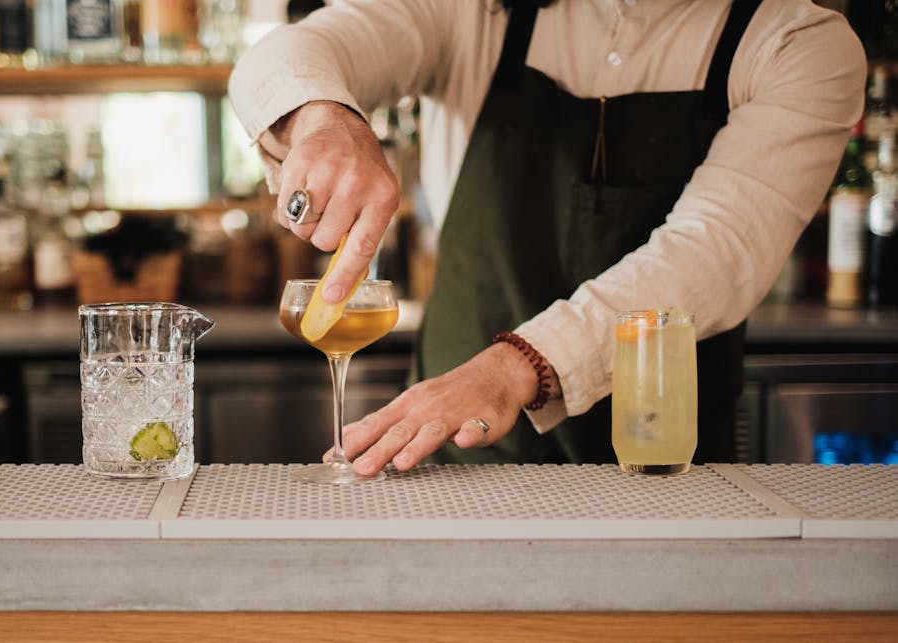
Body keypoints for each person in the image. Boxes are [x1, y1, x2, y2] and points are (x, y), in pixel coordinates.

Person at [228, 0, 866, 474]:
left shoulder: (795, 41)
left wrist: (515, 368)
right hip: (455, 460)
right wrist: (324, 117)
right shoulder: (475, 11)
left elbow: (715, 248)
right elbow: (288, 54)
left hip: (667, 470)